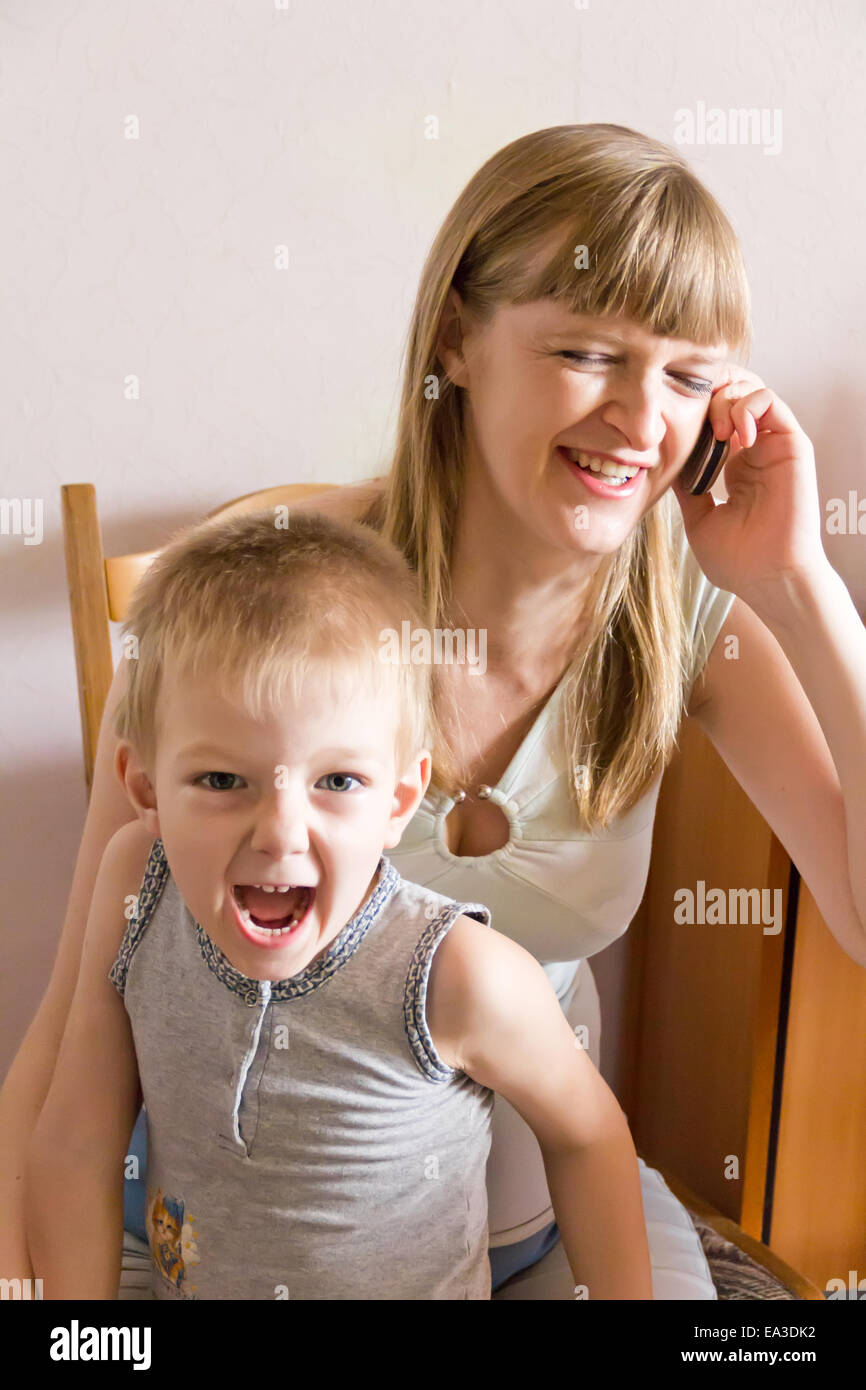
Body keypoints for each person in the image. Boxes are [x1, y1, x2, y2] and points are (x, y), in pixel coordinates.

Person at [5, 122, 865, 1300]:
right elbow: (69, 1020)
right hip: (226, 1243)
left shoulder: (689, 632)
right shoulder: (262, 608)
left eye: (683, 375)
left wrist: (800, 586)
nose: (635, 419)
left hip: (543, 1236)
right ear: (456, 340)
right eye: (584, 353)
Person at [26, 507, 652, 1300]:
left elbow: (588, 1136)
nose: (280, 833)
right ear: (145, 790)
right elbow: (80, 1139)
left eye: (337, 782)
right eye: (222, 781)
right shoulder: (134, 888)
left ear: (399, 801)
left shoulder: (457, 975)